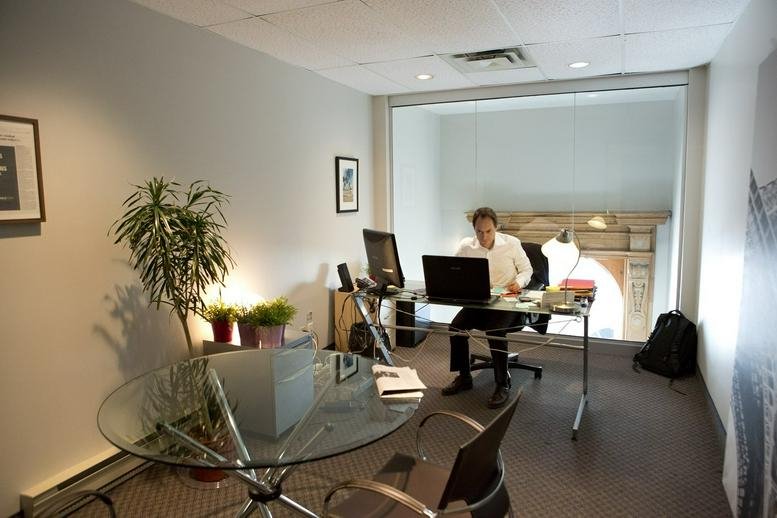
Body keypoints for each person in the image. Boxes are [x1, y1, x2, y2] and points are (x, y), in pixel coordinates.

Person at [442, 207, 533, 409]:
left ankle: (502, 384)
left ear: (496, 227)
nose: (484, 236)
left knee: (495, 331)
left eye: (488, 231)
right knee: (455, 328)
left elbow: (527, 269)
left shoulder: (511, 244)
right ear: (473, 229)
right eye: (479, 232)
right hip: (479, 301)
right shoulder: (467, 246)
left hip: (506, 302)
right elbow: (453, 270)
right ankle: (464, 377)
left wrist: (519, 282)